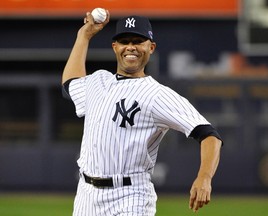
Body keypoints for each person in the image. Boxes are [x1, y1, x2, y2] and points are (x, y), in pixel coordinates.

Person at [62, 9, 222, 216]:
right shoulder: (97, 80)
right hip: (86, 195)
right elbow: (69, 84)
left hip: (130, 196)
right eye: (124, 41)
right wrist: (83, 36)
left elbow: (209, 135)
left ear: (151, 47)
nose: (130, 47)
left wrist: (205, 177)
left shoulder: (157, 95)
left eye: (138, 41)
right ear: (115, 47)